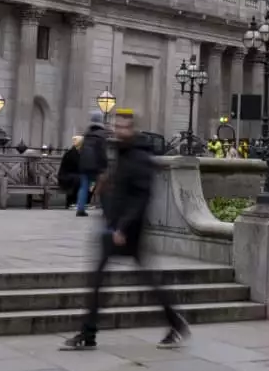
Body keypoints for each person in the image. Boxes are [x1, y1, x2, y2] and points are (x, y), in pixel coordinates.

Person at [61, 109, 190, 350]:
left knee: (147, 279)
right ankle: (89, 333)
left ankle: (175, 322)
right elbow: (120, 190)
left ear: (132, 129)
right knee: (100, 279)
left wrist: (122, 227)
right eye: (117, 126)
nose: (120, 131)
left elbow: (141, 197)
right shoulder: (121, 153)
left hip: (128, 230)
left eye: (124, 127)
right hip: (114, 227)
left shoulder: (139, 157)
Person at [58, 134, 83, 208]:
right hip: (65, 176)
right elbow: (77, 167)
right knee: (78, 179)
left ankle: (84, 201)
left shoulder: (80, 153)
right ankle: (71, 202)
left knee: (91, 182)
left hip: (74, 176)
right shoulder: (71, 153)